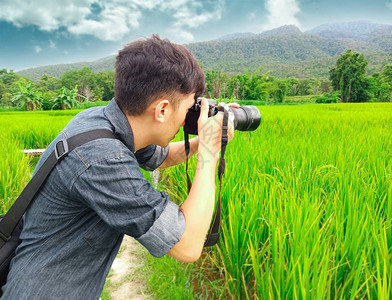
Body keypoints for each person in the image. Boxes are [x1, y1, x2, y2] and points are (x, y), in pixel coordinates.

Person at [1, 34, 235, 299]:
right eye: (188, 109)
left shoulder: (100, 121)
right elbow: (188, 245)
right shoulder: (103, 159)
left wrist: (202, 141)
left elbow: (164, 156)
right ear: (161, 110)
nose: (187, 119)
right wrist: (209, 152)